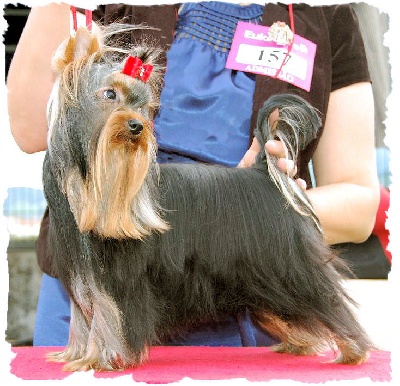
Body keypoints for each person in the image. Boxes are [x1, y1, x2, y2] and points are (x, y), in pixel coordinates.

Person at [7, 2, 380, 347]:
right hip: (90, 300)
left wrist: (262, 207)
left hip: (252, 307)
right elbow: (29, 130)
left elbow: (360, 205)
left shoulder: (327, 13)